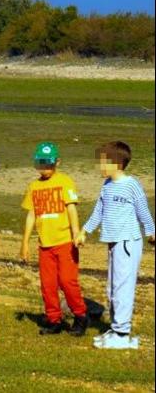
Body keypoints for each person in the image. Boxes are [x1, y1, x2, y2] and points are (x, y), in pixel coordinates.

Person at [77, 141, 154, 350]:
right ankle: (115, 327)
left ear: (117, 163)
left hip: (128, 242)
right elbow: (98, 211)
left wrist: (151, 232)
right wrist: (85, 231)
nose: (99, 167)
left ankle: (122, 334)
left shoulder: (131, 185)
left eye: (102, 162)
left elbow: (143, 211)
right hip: (112, 242)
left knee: (122, 287)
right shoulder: (107, 185)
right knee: (112, 286)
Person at [19, 141, 88, 336]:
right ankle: (53, 319)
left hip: (65, 242)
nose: (45, 168)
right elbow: (31, 215)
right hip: (44, 245)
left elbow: (71, 208)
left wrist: (76, 233)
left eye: (48, 163)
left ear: (57, 162)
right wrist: (24, 243)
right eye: (41, 163)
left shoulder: (65, 181)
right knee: (48, 284)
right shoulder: (33, 186)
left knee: (67, 281)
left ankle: (81, 316)